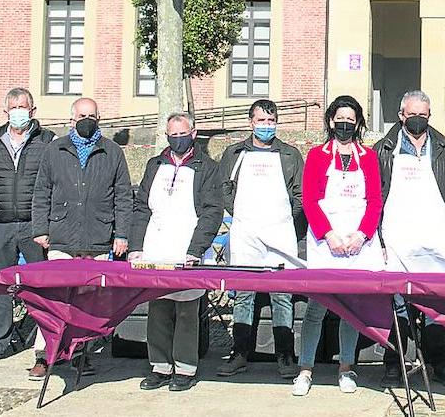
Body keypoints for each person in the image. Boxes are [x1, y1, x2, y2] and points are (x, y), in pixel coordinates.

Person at [31, 97, 132, 377]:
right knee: (55, 298)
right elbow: (42, 192)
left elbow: (123, 196)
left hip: (98, 236)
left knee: (89, 301)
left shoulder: (112, 151)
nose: (87, 120)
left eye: (92, 116)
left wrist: (121, 233)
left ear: (99, 118)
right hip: (61, 235)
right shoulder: (55, 149)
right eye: (82, 115)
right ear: (71, 119)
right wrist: (40, 229)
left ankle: (82, 354)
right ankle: (46, 354)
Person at [291, 95, 384, 397]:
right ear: (331, 121)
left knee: (350, 310)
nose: (345, 124)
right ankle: (305, 369)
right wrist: (328, 234)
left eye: (351, 119)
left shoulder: (368, 157)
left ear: (358, 123)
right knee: (316, 309)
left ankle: (346, 367)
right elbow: (309, 199)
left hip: (359, 244)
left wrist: (362, 235)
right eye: (340, 119)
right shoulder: (317, 155)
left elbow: (374, 201)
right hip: (325, 243)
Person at [375, 89, 445, 388]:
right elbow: (374, 198)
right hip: (397, 237)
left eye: (423, 115)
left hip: (434, 236)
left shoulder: (444, 148)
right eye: (412, 114)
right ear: (401, 115)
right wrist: (378, 240)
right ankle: (394, 362)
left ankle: (439, 363)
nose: (417, 119)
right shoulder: (384, 148)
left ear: (430, 116)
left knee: (433, 304)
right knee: (398, 303)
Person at [129, 112, 224, 392]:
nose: (178, 139)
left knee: (186, 311)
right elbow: (142, 207)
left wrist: (197, 248)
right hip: (155, 246)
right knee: (158, 308)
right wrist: (136, 246)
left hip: (187, 248)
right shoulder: (154, 164)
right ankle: (159, 366)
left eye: (183, 134)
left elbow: (212, 211)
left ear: (193, 134)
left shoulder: (207, 167)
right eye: (173, 135)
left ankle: (184, 368)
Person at [216, 100, 304, 379]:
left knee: (282, 296)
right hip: (246, 233)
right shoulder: (235, 153)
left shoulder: (290, 155)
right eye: (261, 121)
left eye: (271, 120)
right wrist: (242, 215)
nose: (266, 126)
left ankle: (286, 356)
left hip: (280, 233)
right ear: (250, 122)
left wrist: (283, 219)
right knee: (243, 294)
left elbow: (300, 196)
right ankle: (240, 353)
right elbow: (224, 189)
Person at [0, 88, 54, 364]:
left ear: (33, 111)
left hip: (36, 225)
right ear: (6, 111)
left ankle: (45, 345)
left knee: (43, 285)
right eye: (14, 107)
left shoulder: (48, 140)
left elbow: (54, 180)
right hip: (1, 223)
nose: (19, 111)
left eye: (24, 106)